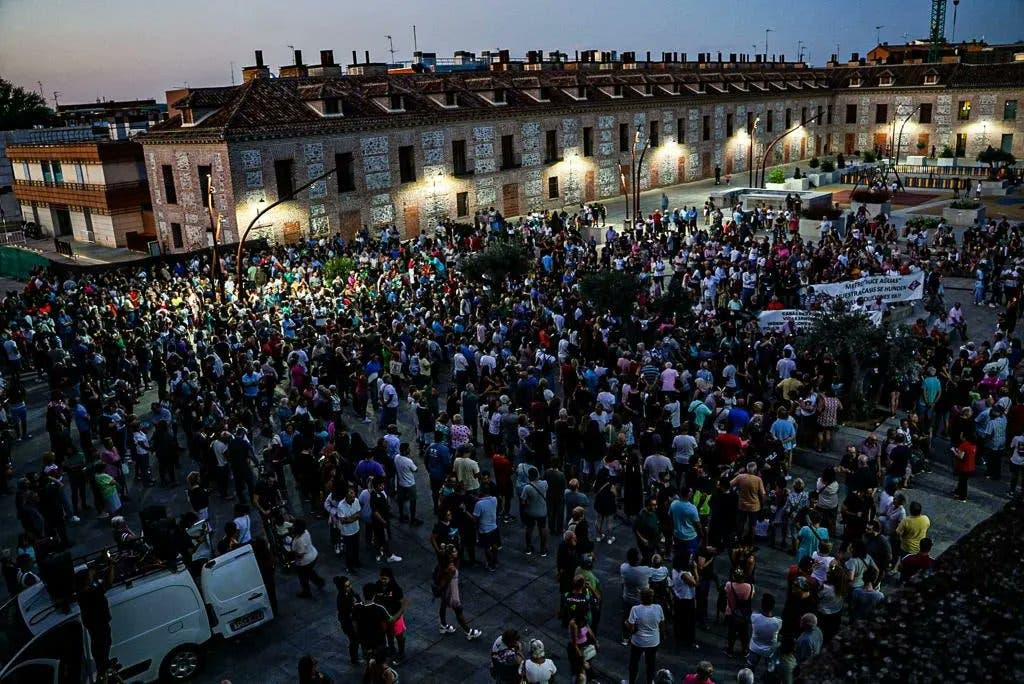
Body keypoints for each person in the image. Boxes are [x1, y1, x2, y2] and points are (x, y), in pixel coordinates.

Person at [434, 547, 482, 640]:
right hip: (452, 593)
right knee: (459, 611)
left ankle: (443, 625)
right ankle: (468, 632)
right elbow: (445, 582)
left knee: (443, 606)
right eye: (455, 551)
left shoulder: (443, 565)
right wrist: (442, 591)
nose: (457, 552)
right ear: (450, 556)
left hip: (446, 592)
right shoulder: (450, 568)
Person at [626, 587, 665, 684]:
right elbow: (662, 625)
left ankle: (631, 681)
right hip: (653, 641)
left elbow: (632, 629)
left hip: (638, 642)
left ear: (641, 598)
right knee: (651, 663)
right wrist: (661, 636)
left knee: (634, 663)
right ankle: (649, 681)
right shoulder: (658, 608)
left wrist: (626, 624)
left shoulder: (635, 609)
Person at [290, 519, 326, 598]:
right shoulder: (305, 532)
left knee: (303, 577)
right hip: (313, 554)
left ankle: (306, 592)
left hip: (305, 560)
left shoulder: (299, 540)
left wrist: (293, 554)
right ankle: (319, 582)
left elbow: (300, 554)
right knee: (309, 572)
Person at [746, 593, 782, 672]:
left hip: (755, 647)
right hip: (770, 650)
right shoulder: (778, 622)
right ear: (773, 607)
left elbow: (756, 612)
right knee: (770, 669)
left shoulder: (754, 617)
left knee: (750, 666)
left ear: (761, 605)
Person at [334, 576, 361, 665]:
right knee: (354, 641)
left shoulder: (349, 593)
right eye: (347, 586)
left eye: (350, 585)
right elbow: (347, 613)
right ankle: (354, 659)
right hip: (348, 623)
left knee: (355, 641)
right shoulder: (341, 599)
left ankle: (355, 658)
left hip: (353, 621)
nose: (350, 587)